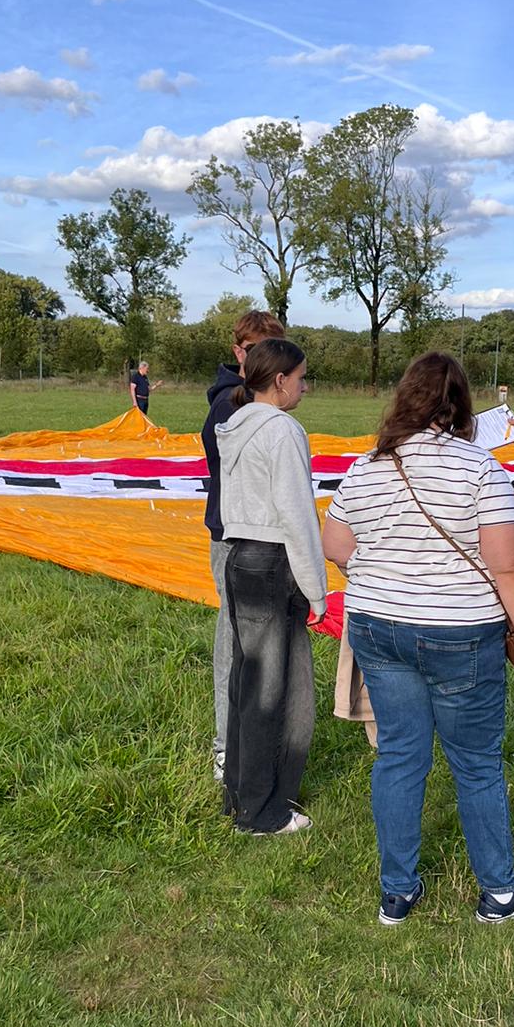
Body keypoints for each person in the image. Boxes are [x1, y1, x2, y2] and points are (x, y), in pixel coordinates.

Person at [322, 352, 514, 926]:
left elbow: (334, 543)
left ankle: (396, 891)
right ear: (462, 405)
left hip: (377, 625)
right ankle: (499, 893)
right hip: (459, 632)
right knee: (475, 763)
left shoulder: (368, 465)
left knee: (400, 755)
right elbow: (510, 566)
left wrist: (387, 576)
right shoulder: (479, 469)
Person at [216, 338, 326, 835]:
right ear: (279, 381)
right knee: (275, 691)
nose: (305, 386)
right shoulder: (282, 430)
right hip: (273, 560)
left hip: (239, 557)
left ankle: (239, 792)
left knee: (247, 680)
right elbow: (298, 515)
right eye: (301, 378)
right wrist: (317, 587)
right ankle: (262, 812)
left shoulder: (234, 425)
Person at [201, 310, 286, 780]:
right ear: (239, 353)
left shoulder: (256, 402)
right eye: (256, 351)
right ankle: (226, 746)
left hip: (261, 535)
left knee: (261, 640)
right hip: (235, 537)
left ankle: (257, 735)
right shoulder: (228, 407)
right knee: (235, 639)